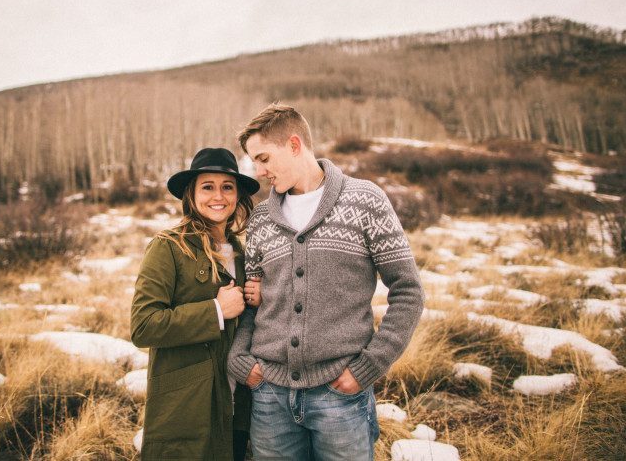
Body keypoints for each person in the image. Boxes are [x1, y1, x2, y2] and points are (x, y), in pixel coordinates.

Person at [228, 103, 425, 461]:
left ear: (293, 144)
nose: (259, 172)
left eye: (264, 158)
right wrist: (242, 361)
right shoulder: (259, 220)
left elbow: (409, 290)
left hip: (340, 396)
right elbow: (252, 301)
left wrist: (368, 366)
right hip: (270, 396)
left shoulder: (365, 200)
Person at [131, 147, 260, 460]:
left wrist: (262, 297)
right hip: (187, 408)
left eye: (227, 187)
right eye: (208, 187)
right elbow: (143, 326)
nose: (218, 196)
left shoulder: (242, 251)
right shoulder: (168, 247)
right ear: (191, 194)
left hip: (238, 405)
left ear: (238, 194)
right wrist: (215, 311)